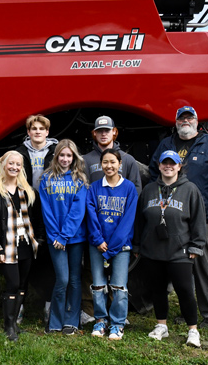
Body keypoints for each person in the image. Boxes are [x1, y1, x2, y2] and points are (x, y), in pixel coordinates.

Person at [148, 106, 208, 328]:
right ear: (175, 122)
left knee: (202, 264)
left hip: (200, 217)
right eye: (181, 118)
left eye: (189, 117)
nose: (185, 121)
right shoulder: (167, 143)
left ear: (196, 121)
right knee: (181, 266)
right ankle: (187, 311)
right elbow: (154, 173)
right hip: (172, 215)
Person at [134, 150, 206, 348]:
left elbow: (199, 220)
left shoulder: (190, 189)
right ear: (158, 166)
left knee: (184, 289)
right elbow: (140, 220)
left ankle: (193, 330)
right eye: (164, 163)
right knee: (157, 289)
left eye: (172, 163)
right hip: (152, 250)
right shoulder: (149, 190)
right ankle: (161, 325)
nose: (168, 166)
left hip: (179, 250)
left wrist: (196, 245)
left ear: (179, 166)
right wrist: (138, 244)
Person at [80, 115, 142, 325]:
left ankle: (117, 316)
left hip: (119, 228)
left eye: (107, 130)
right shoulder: (86, 160)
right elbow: (84, 194)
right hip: (96, 229)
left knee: (118, 276)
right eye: (100, 131)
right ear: (94, 134)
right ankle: (90, 312)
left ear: (114, 132)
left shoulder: (128, 160)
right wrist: (95, 234)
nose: (104, 133)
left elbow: (136, 190)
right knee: (92, 272)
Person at [0, 150, 44, 342]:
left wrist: (38, 241)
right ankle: (8, 325)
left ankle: (15, 323)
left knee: (23, 285)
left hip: (26, 244)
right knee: (13, 284)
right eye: (11, 164)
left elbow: (37, 219)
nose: (14, 167)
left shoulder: (29, 192)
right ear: (3, 166)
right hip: (6, 246)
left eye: (18, 164)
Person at [86, 149, 138, 340]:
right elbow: (91, 216)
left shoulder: (129, 188)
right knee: (98, 285)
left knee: (119, 286)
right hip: (97, 244)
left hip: (120, 246)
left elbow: (128, 220)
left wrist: (113, 246)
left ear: (120, 164)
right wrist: (99, 240)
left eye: (112, 162)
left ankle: (117, 323)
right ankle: (101, 320)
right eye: (105, 162)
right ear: (101, 165)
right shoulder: (94, 188)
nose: (109, 166)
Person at [39, 140, 88, 336]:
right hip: (55, 239)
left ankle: (72, 320)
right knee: (62, 279)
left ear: (74, 158)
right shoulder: (46, 179)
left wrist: (65, 235)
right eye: (62, 155)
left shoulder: (80, 180)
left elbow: (78, 211)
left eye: (69, 156)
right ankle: (55, 321)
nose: (65, 159)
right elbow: (46, 211)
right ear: (56, 156)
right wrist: (56, 236)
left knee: (75, 280)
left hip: (74, 238)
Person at [14, 114, 57, 326]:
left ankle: (49, 305)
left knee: (48, 258)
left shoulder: (56, 152)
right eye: (34, 129)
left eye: (42, 128)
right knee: (24, 257)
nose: (38, 132)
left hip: (49, 206)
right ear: (28, 132)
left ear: (47, 132)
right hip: (27, 208)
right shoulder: (20, 153)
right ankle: (19, 306)